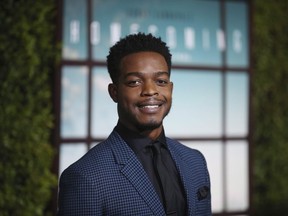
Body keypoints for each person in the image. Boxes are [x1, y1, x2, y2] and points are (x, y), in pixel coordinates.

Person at [57, 33, 211, 216]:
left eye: (160, 81)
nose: (150, 91)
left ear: (170, 89)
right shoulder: (85, 177)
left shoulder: (195, 161)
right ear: (114, 92)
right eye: (135, 82)